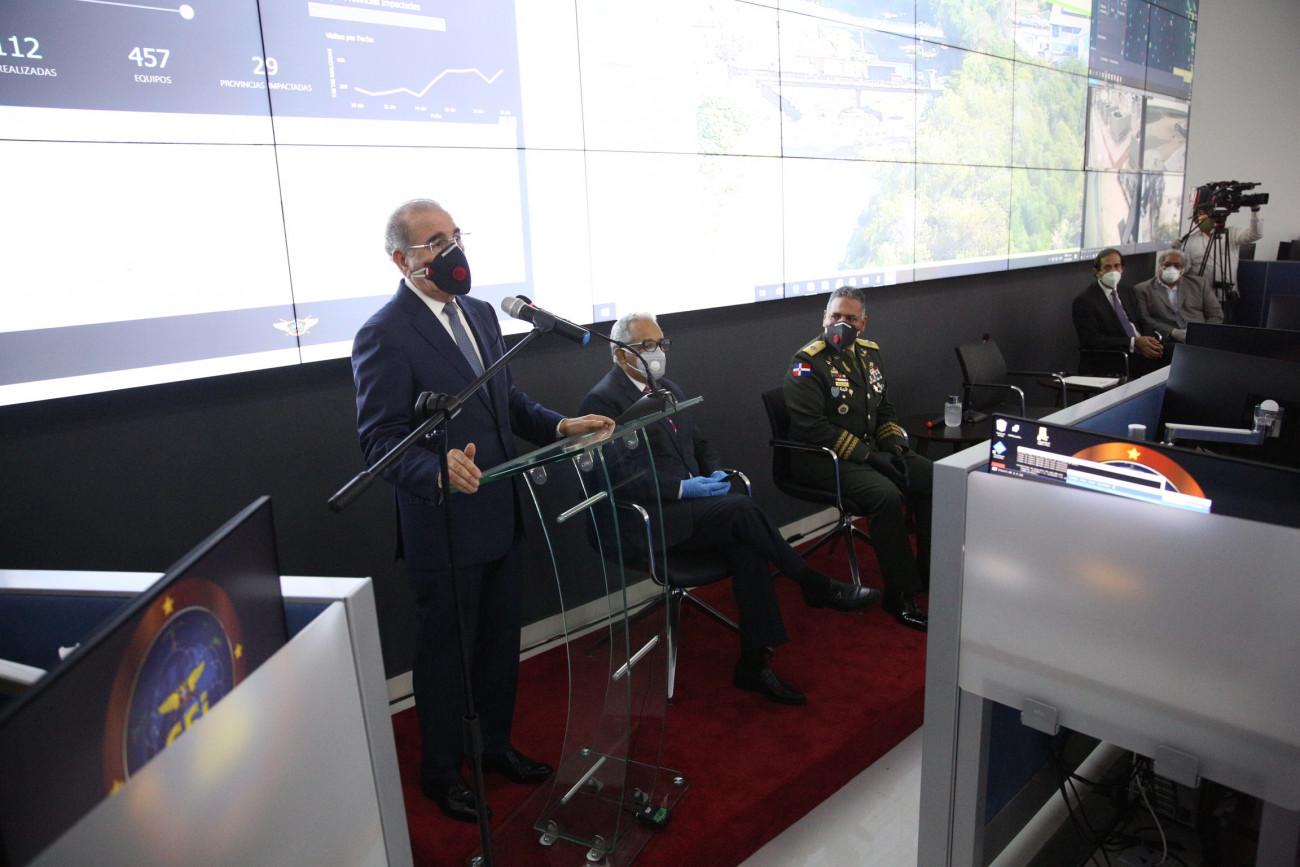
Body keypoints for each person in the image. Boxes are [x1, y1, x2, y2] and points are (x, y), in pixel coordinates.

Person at [351, 198, 613, 824]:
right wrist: (435, 469)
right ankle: (443, 773)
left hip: (500, 511)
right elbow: (380, 441)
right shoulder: (383, 333)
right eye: (435, 242)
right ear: (402, 260)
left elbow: (506, 401)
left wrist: (560, 425)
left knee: (498, 647)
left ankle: (494, 747)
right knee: (446, 659)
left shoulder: (479, 313)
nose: (453, 250)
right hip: (442, 526)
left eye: (455, 236)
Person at [579, 312, 878, 706]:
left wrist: (713, 472)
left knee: (747, 547)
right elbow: (617, 476)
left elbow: (699, 444)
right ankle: (811, 583)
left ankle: (753, 664)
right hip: (646, 518)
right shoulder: (602, 400)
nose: (657, 353)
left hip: (690, 511)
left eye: (661, 343)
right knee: (739, 511)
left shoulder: (668, 388)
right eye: (647, 346)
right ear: (620, 355)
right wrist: (683, 488)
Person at [783, 287, 931, 632]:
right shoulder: (807, 362)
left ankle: (928, 570)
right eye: (835, 316)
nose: (841, 323)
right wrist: (871, 457)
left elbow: (883, 408)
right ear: (824, 318)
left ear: (863, 323)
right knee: (885, 495)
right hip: (824, 459)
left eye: (850, 318)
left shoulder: (869, 353)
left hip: (870, 450)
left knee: (934, 477)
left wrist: (894, 447)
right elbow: (812, 429)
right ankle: (900, 593)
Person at [1071, 248, 1166, 377]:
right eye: (1107, 267)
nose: (1113, 271)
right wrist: (1133, 342)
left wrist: (1150, 342)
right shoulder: (1085, 301)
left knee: (1174, 354)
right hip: (1115, 356)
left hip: (1141, 349)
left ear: (1122, 269)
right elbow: (1092, 340)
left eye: (1117, 266)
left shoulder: (1127, 292)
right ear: (1097, 272)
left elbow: (1141, 321)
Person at [1132, 247, 1224, 345]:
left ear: (1183, 269)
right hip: (1167, 339)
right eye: (1167, 264)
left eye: (1177, 265)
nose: (1171, 269)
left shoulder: (1199, 284)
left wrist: (1203, 333)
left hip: (1201, 337)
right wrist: (1172, 332)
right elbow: (1145, 319)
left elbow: (1216, 314)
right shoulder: (1143, 289)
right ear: (1160, 266)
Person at [1180, 204, 1262, 300]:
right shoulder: (1189, 242)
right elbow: (1183, 271)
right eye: (1202, 215)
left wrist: (1255, 210)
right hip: (1201, 297)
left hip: (1228, 296)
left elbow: (1255, 234)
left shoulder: (1232, 233)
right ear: (1195, 221)